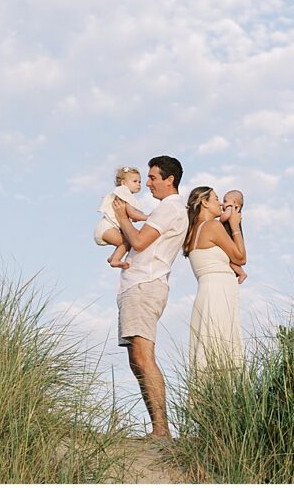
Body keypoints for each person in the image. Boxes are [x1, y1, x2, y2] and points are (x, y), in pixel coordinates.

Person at [111, 154, 187, 440]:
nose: (149, 183)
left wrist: (121, 217)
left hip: (145, 285)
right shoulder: (165, 210)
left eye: (154, 177)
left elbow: (140, 241)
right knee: (136, 359)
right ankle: (159, 428)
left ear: (170, 180)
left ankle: (161, 430)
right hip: (137, 285)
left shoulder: (169, 209)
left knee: (143, 357)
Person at [183, 186, 246, 373]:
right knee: (222, 349)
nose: (220, 203)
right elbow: (240, 257)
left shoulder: (192, 231)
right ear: (204, 203)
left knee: (208, 350)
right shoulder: (212, 226)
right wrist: (235, 227)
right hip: (218, 292)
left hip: (207, 293)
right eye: (216, 198)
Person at [96, 166, 148, 268]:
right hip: (107, 228)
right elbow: (132, 214)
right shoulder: (123, 193)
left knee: (125, 242)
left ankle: (113, 257)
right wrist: (148, 217)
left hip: (105, 228)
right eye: (135, 181)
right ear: (124, 183)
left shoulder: (123, 195)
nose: (138, 184)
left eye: (140, 182)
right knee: (127, 242)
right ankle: (115, 260)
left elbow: (132, 216)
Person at [220, 189, 248, 284]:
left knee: (228, 258)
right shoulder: (237, 212)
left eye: (225, 201)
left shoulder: (230, 208)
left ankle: (241, 273)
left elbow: (224, 217)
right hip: (234, 235)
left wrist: (219, 221)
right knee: (232, 259)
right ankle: (241, 273)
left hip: (230, 234)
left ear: (235, 203)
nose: (223, 204)